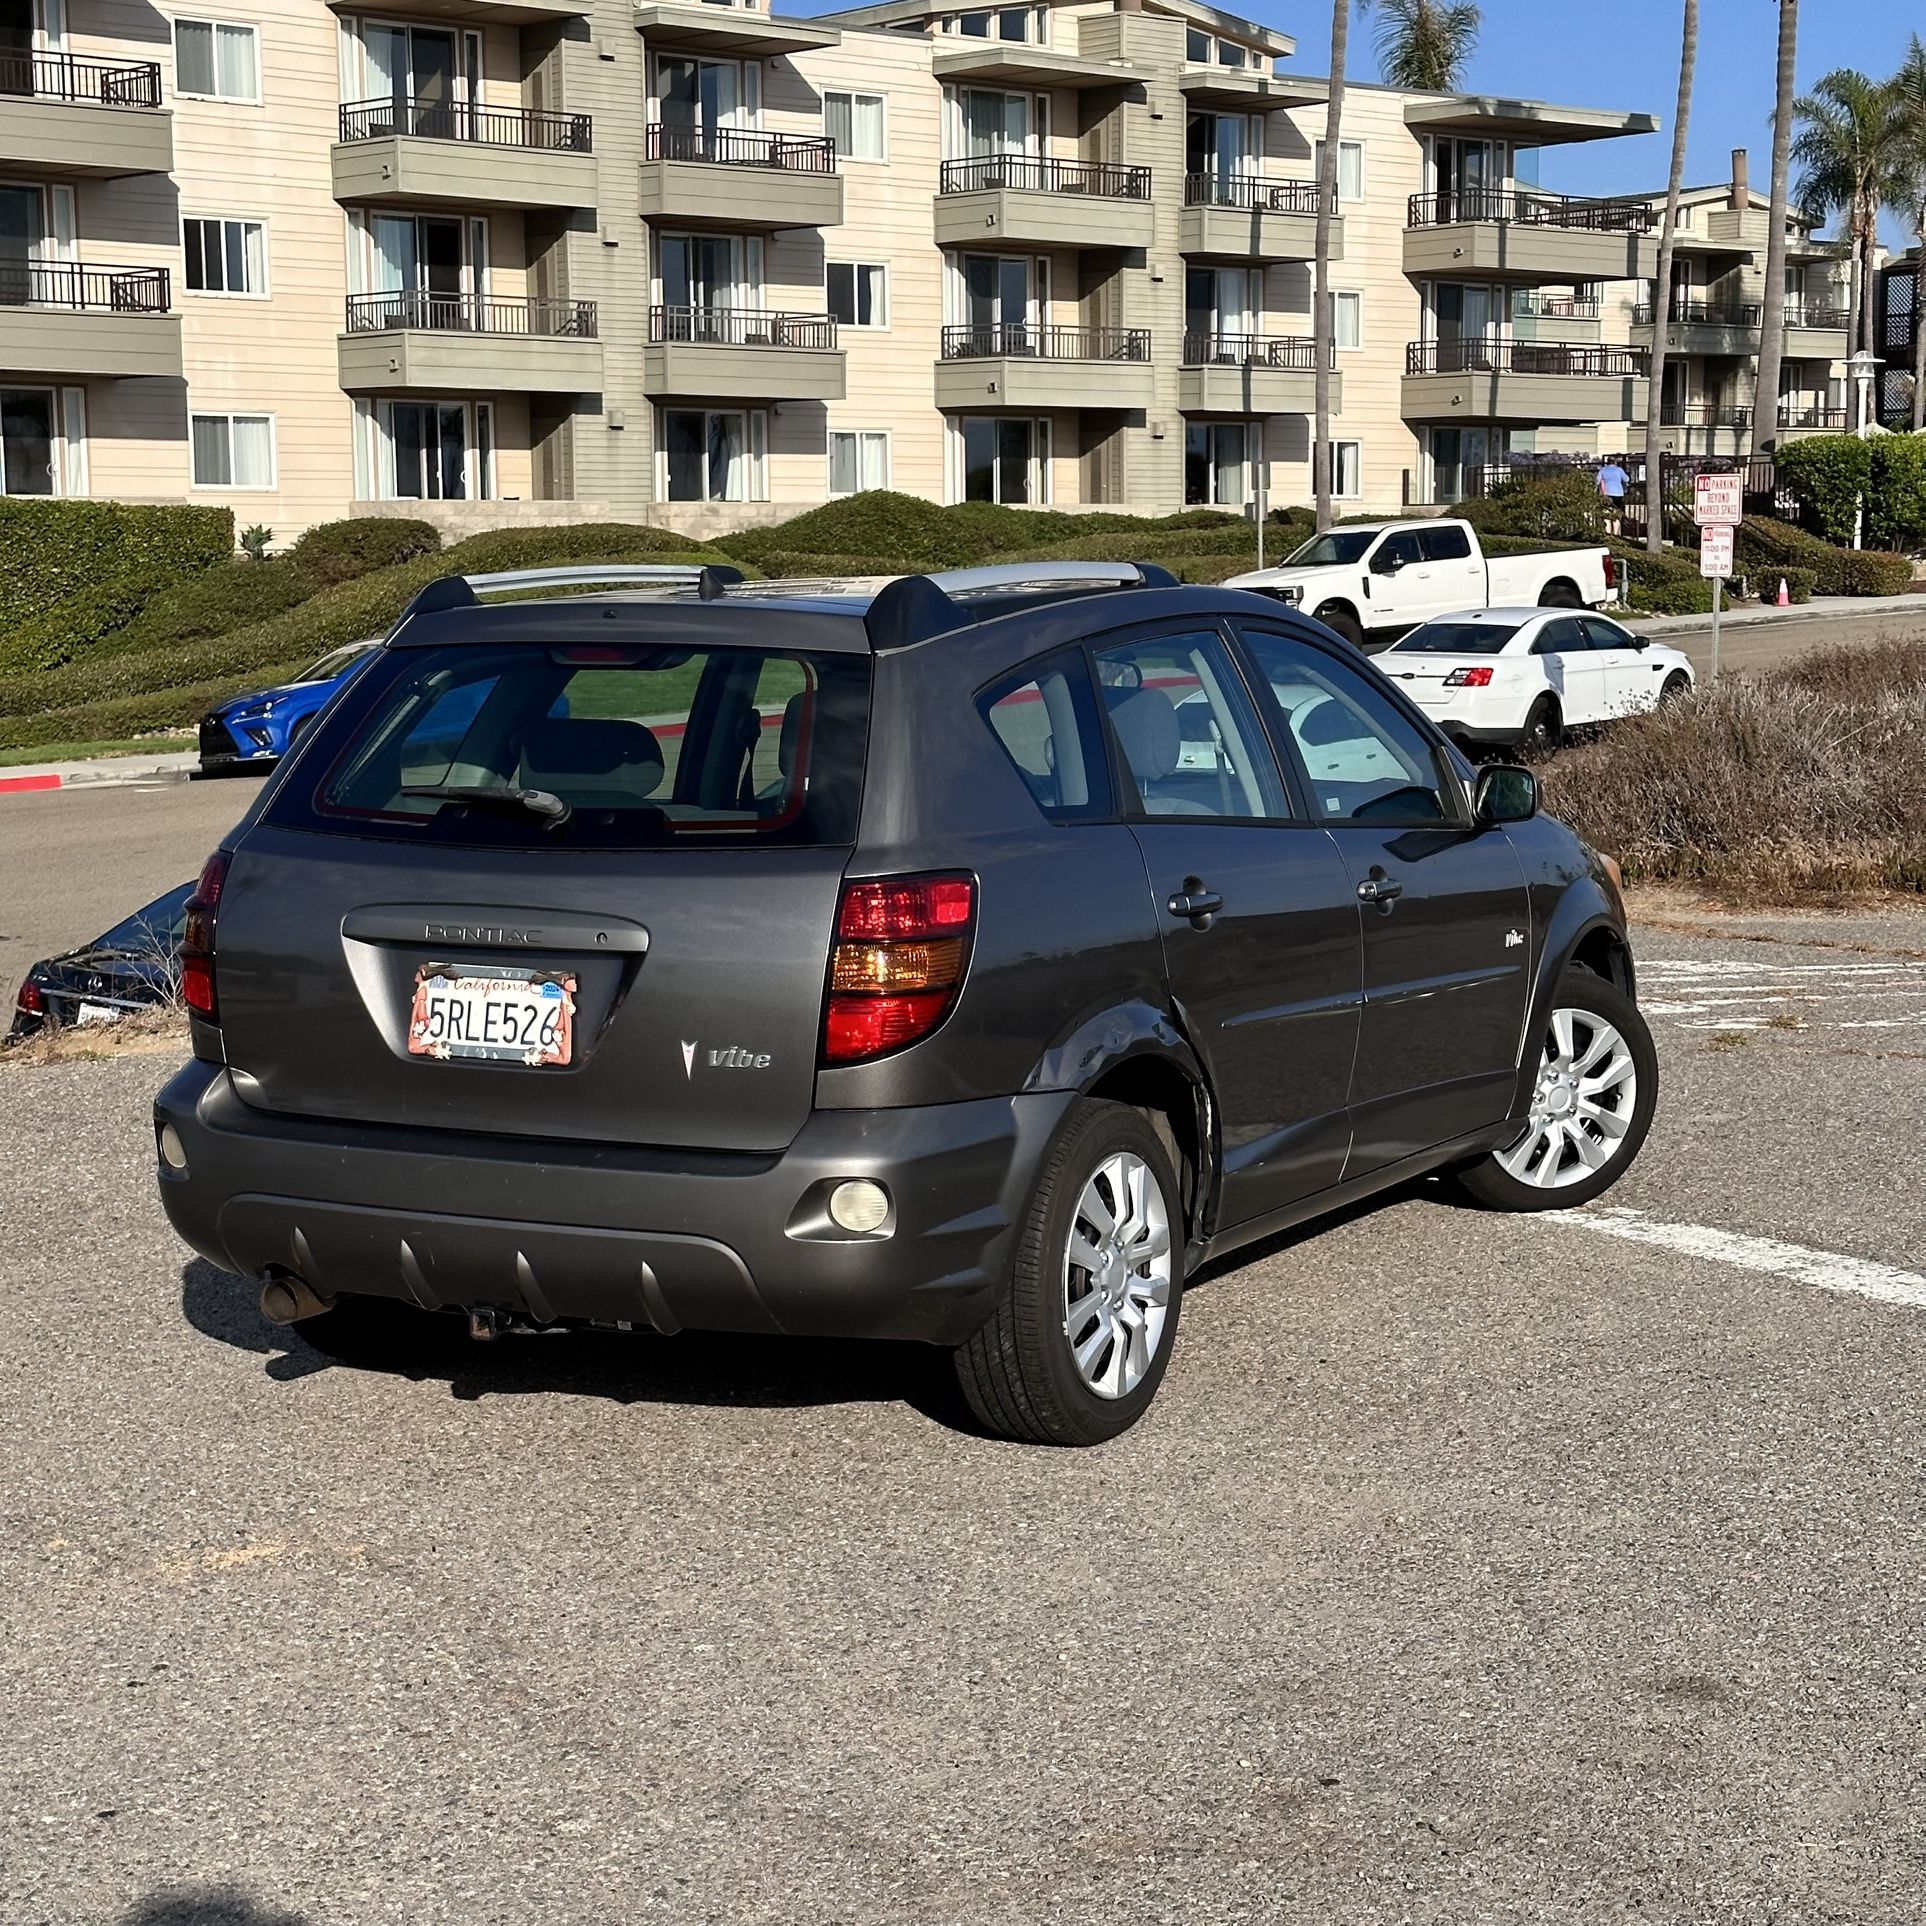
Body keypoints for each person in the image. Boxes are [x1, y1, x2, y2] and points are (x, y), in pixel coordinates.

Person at [1597, 457, 1628, 534]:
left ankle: (1608, 533)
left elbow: (1597, 481)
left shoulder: (1603, 470)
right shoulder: (1619, 470)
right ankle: (1615, 533)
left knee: (1607, 515)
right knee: (1616, 514)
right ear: (1615, 462)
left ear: (1607, 462)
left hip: (1606, 495)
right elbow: (1626, 479)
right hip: (1618, 494)